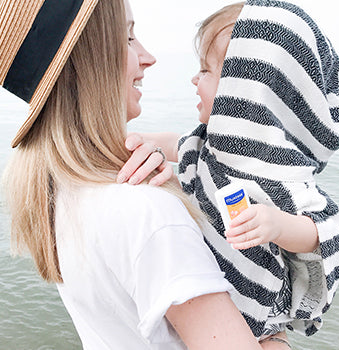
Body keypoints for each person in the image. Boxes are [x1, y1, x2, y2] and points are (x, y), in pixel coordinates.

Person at [0, 0, 268, 349]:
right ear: (87, 61)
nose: (148, 56)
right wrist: (276, 336)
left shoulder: (56, 193)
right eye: (128, 38)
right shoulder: (149, 212)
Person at [119, 0, 339, 348]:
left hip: (262, 324)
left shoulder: (281, 176)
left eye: (207, 71)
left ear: (247, 89)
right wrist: (129, 141)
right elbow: (173, 142)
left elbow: (327, 231)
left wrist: (277, 225)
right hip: (213, 310)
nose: (194, 79)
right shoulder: (211, 148)